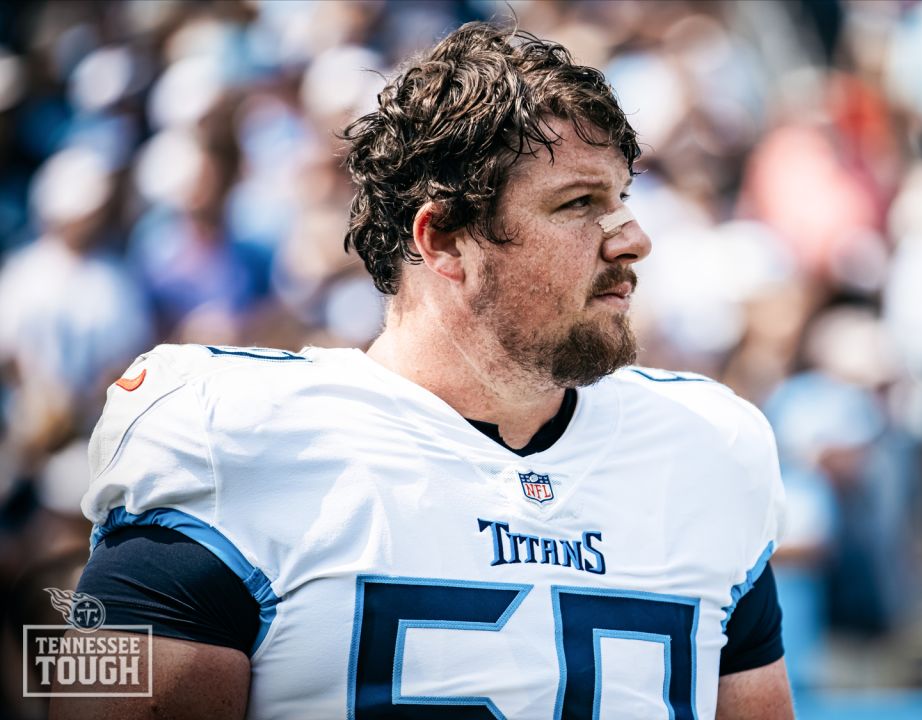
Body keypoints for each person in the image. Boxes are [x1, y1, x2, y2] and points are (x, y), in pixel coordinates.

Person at [52, 22, 792, 720]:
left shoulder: (709, 448)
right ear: (442, 240)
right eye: (579, 204)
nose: (632, 238)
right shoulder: (228, 441)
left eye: (621, 198)